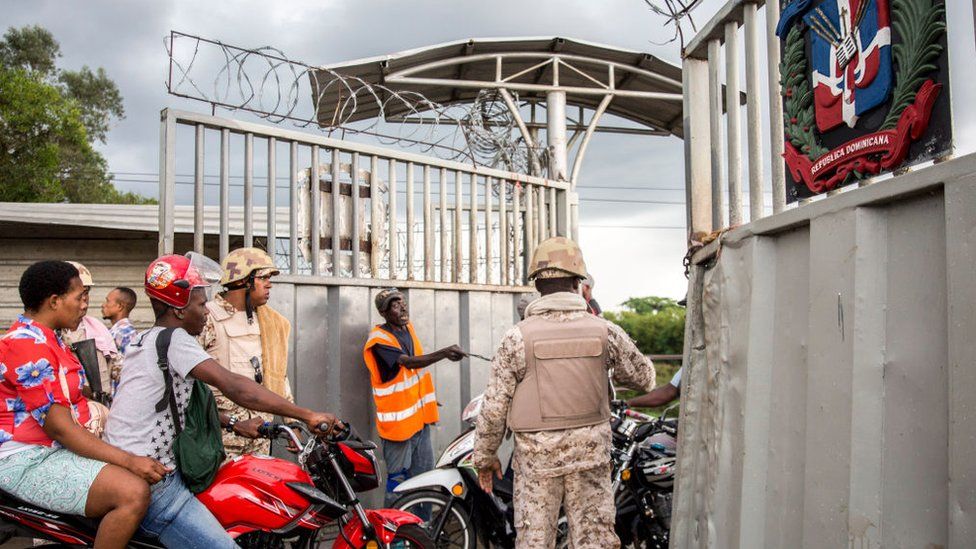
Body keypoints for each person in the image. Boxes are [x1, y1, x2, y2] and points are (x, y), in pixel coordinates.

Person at [104, 253, 339, 548]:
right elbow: (236, 386)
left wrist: (233, 422)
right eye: (201, 304)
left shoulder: (146, 340)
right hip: (155, 480)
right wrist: (307, 415)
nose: (206, 312)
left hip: (137, 468)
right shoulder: (175, 340)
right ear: (178, 309)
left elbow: (178, 404)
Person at [473, 237, 656, 549]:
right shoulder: (605, 331)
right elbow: (644, 379)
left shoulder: (516, 338)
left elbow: (494, 409)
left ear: (537, 285)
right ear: (577, 281)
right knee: (594, 542)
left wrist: (485, 457)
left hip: (537, 466)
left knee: (534, 542)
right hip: (590, 460)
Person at [0, 260, 167, 548]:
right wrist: (128, 460)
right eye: (79, 297)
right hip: (26, 457)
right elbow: (60, 429)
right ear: (54, 301)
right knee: (132, 493)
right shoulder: (27, 344)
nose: (84, 305)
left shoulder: (50, 339)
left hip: (52, 450)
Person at [363, 288, 465, 505]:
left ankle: (422, 529)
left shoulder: (407, 328)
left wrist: (423, 399)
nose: (403, 306)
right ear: (383, 312)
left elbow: (412, 376)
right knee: (398, 482)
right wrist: (444, 353)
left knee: (424, 479)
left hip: (420, 422)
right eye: (395, 304)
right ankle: (395, 536)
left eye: (403, 301)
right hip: (398, 429)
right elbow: (407, 363)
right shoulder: (379, 339)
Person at [200, 247, 292, 458]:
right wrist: (230, 422)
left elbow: (278, 375)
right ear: (243, 281)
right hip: (221, 439)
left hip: (260, 436)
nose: (269, 283)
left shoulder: (270, 321)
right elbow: (188, 384)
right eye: (263, 277)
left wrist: (292, 421)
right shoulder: (208, 317)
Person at [61, 261, 122, 399]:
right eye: (78, 293)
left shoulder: (96, 328)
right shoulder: (53, 331)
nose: (83, 299)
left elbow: (114, 367)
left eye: (86, 292)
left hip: (99, 407)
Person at [102, 286, 138, 355]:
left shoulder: (125, 333)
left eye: (107, 301)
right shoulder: (119, 331)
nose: (103, 305)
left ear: (120, 306)